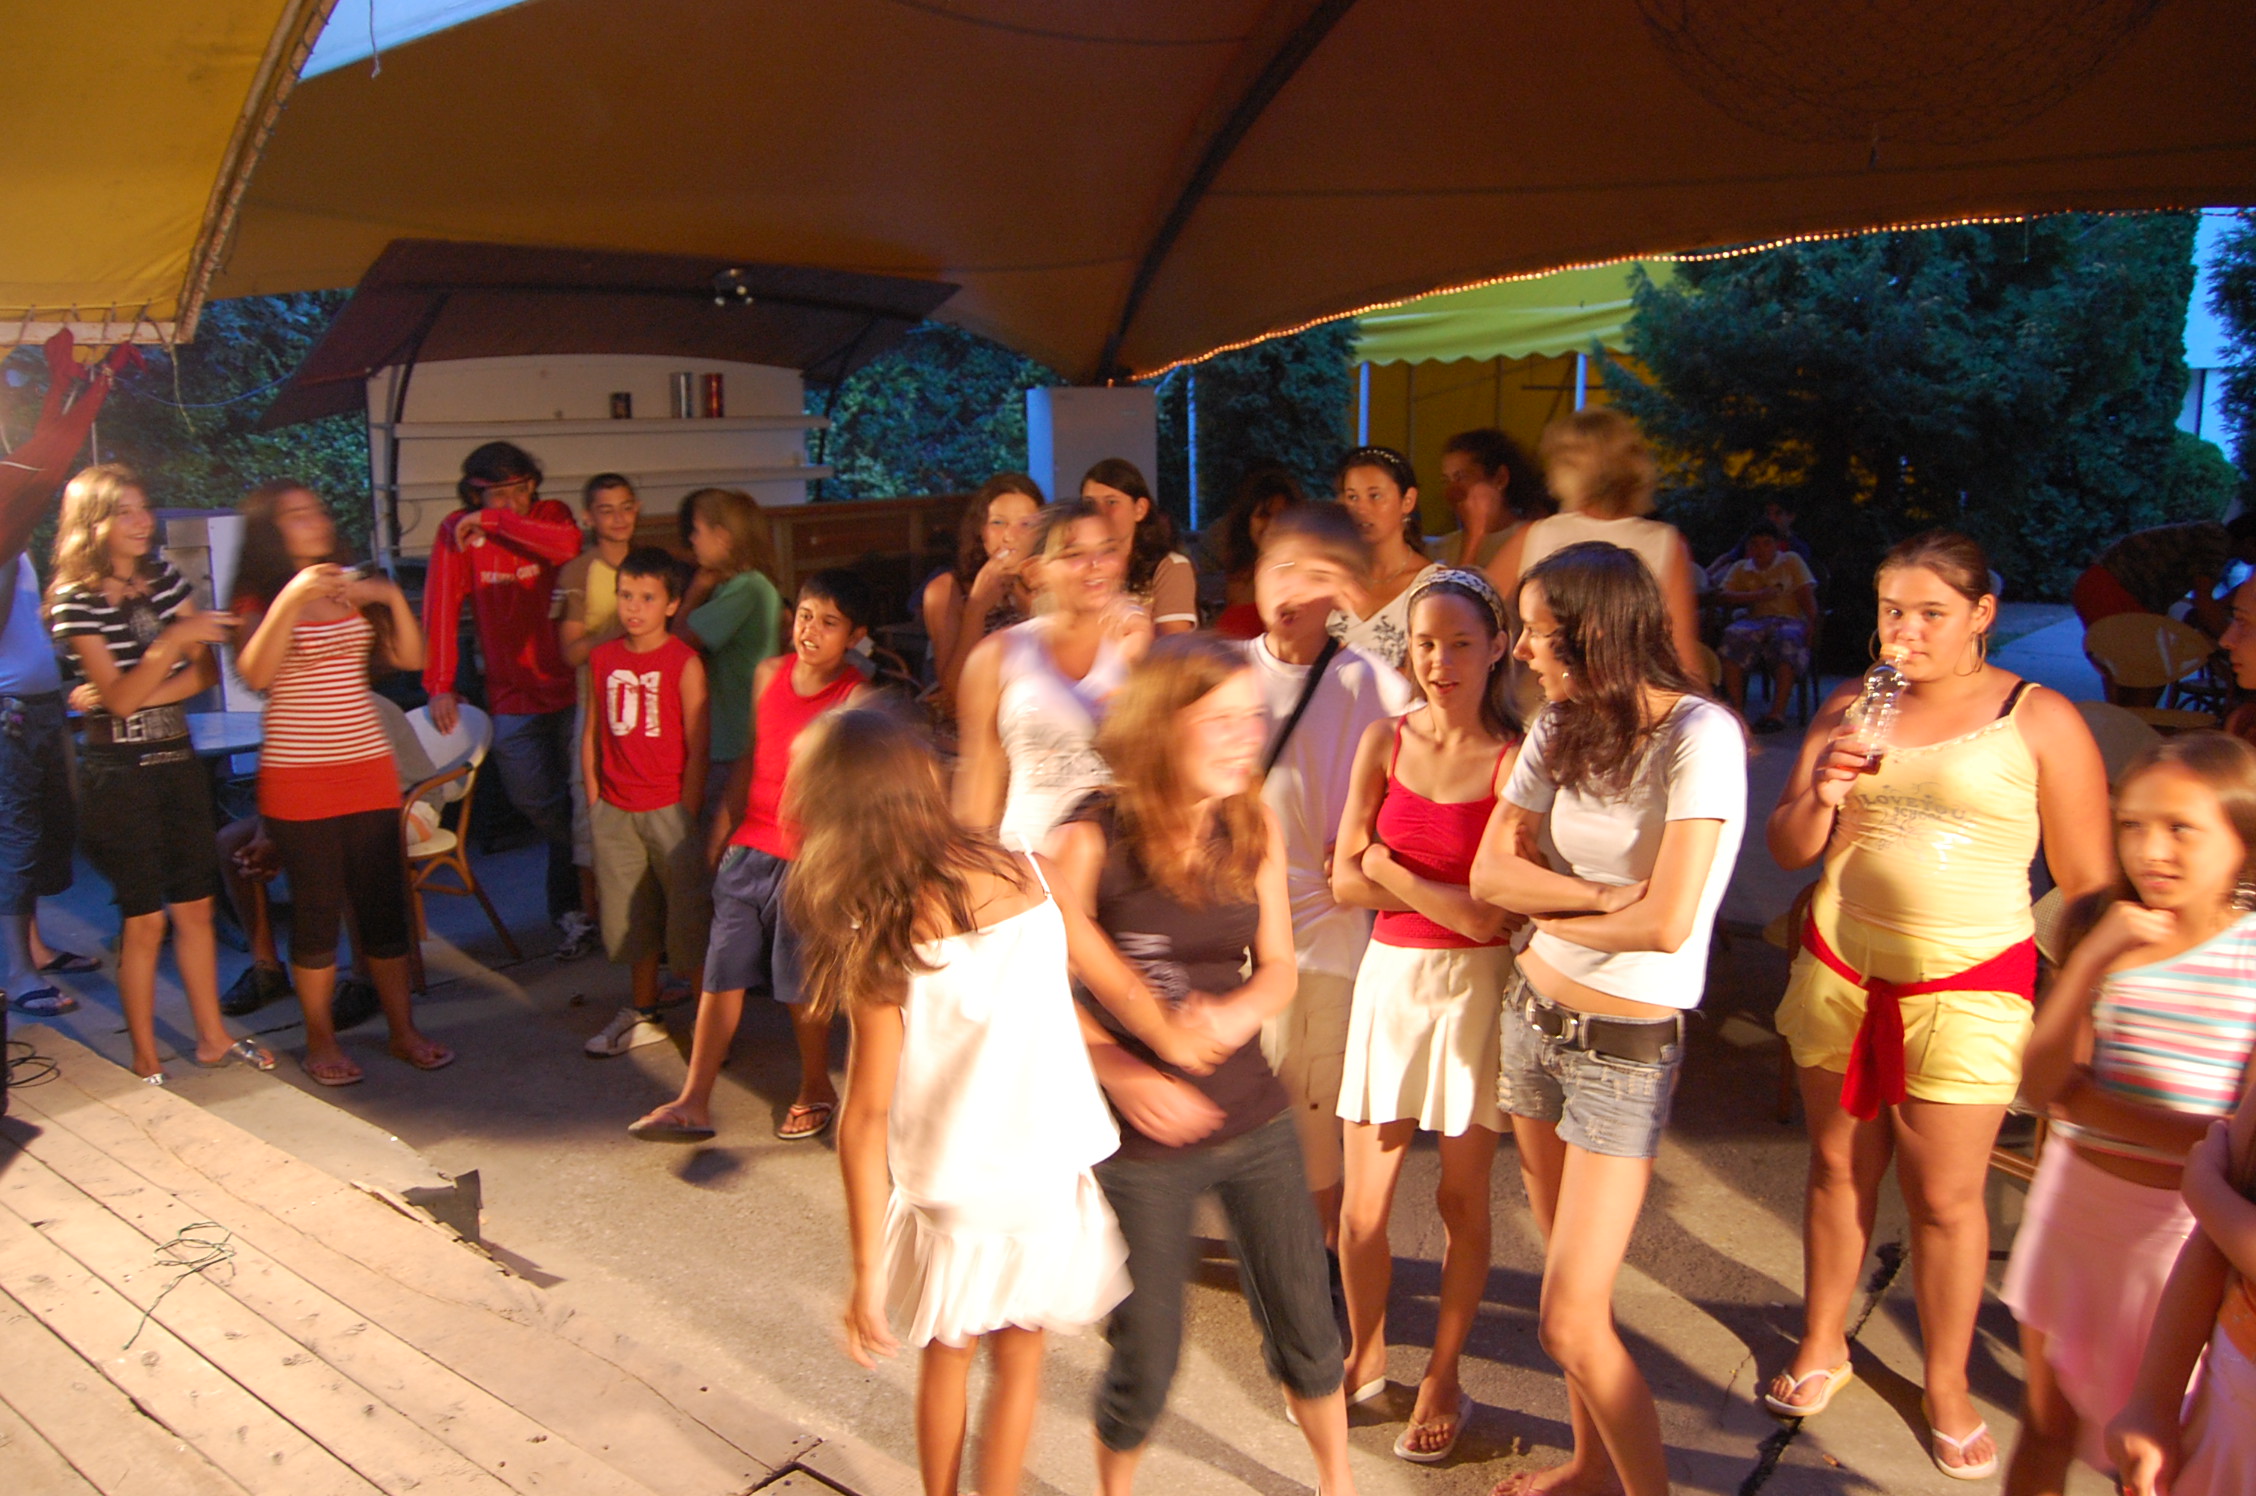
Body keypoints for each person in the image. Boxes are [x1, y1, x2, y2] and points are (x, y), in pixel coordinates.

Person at [1764, 531, 2113, 1479]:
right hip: (1841, 970)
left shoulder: (2037, 718)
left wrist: (2077, 1011)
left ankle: (1947, 1384)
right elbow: (1789, 847)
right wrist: (1825, 789)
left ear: (1981, 615)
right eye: (1892, 611)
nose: (1906, 632)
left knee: (1949, 1200)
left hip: (1968, 986)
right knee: (1838, 1170)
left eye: (1931, 613)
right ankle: (1824, 1340)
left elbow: (2088, 886)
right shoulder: (1850, 705)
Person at [806, 709, 1206, 1496]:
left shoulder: (882, 928)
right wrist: (1175, 1041)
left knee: (948, 1355)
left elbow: (866, 1115)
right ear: (926, 781)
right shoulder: (1032, 873)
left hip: (956, 1182)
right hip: (1044, 1171)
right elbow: (1117, 983)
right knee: (1021, 1357)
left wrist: (865, 1274)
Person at [1467, 541, 1746, 1496]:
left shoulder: (1700, 736)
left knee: (1568, 1319)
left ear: (1597, 634)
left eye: (1539, 633)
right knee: (1564, 1282)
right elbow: (1488, 874)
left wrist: (1546, 907)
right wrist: (1591, 899)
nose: (1522, 652)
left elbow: (1669, 923)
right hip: (1535, 1015)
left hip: (1624, 1050)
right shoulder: (1561, 724)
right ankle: (1591, 1464)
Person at [1055, 636, 1357, 1496]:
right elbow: (1035, 988)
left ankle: (1337, 1483)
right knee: (1147, 1356)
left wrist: (1234, 1012)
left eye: (1252, 718)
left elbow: (1280, 969)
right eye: (1220, 721)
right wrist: (1124, 1068)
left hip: (1252, 1115)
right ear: (1161, 725)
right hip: (1140, 1143)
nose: (1246, 738)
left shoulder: (1250, 820)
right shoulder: (1089, 836)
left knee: (1309, 1325)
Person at [1999, 732, 2256, 1492]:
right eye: (2133, 825)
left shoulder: (2248, 959)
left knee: (2151, 1450)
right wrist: (2087, 962)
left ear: (2243, 839)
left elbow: (2236, 1143)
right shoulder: (2099, 927)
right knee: (2046, 1421)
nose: (2152, 851)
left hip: (2180, 1243)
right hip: (2074, 1214)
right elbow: (2040, 1083)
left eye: (2182, 828)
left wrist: (2090, 1102)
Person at [1330, 569, 1520, 1463]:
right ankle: (1364, 1355)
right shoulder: (1384, 739)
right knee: (1362, 1209)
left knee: (1460, 1197)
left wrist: (1390, 869)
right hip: (1391, 981)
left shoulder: (1514, 760)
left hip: (1476, 991)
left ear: (1498, 649)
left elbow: (1489, 919)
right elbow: (1341, 881)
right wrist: (1388, 879)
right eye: (1425, 645)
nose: (1440, 662)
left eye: (1460, 645)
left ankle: (1445, 1375)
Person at [630, 570, 875, 1142]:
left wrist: (844, 868)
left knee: (799, 985)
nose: (811, 631)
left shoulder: (856, 697)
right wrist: (725, 825)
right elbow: (751, 754)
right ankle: (693, 1099)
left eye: (829, 623)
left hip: (808, 858)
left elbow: (860, 793)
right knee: (722, 973)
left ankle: (816, 1085)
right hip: (750, 847)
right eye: (806, 615)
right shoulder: (769, 673)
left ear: (855, 636)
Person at [46, 465, 272, 1080]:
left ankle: (212, 1038)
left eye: (144, 507)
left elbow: (199, 675)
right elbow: (130, 693)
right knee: (144, 920)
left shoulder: (165, 579)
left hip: (176, 758)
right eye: (125, 511)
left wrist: (131, 689)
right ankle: (145, 1057)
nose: (143, 521)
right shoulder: (75, 599)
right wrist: (169, 645)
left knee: (195, 908)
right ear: (93, 522)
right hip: (119, 773)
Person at [231, 480, 448, 1084]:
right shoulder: (261, 597)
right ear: (271, 532)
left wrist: (387, 594)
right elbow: (256, 673)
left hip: (367, 767)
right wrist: (293, 597)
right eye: (296, 515)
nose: (315, 521)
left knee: (382, 907)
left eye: (317, 511)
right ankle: (320, 1040)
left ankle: (403, 1031)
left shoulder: (346, 586)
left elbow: (412, 658)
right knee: (317, 914)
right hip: (299, 773)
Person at [1240, 503, 1415, 1240]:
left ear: (1343, 587)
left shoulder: (1375, 686)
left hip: (1320, 942)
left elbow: (1421, 796)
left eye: (1314, 574)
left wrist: (1370, 846)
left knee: (1304, 1126)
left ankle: (1314, 1271)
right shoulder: (1220, 673)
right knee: (1240, 1124)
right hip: (1224, 939)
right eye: (1279, 567)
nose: (1291, 588)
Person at [420, 441, 592, 956]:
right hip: (511, 693)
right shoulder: (456, 531)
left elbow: (566, 546)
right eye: (499, 493)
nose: (514, 501)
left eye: (520, 489)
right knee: (534, 800)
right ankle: (587, 873)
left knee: (583, 795)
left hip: (570, 683)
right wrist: (439, 683)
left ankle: (576, 908)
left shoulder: (550, 515)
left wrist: (495, 521)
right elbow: (440, 606)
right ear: (475, 493)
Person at [954, 500, 1151, 852]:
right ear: (1035, 571)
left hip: (1120, 855)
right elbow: (979, 779)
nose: (1096, 565)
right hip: (1030, 855)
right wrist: (970, 868)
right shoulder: (998, 655)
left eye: (1107, 550)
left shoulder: (1141, 650)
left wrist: (1137, 650)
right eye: (1074, 554)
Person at [579, 547, 712, 1057]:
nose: (634, 607)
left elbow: (697, 743)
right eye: (626, 595)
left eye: (648, 598)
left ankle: (706, 1022)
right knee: (632, 918)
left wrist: (686, 809)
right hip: (616, 809)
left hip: (669, 809)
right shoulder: (603, 659)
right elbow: (592, 733)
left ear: (672, 604)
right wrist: (596, 800)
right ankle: (643, 1010)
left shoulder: (684, 662)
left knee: (688, 919)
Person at [1484, 409, 1704, 690]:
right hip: (1629, 703)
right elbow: (1683, 657)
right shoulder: (1666, 544)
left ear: (1565, 468)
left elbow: (1469, 608)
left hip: (1543, 699)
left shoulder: (1537, 536)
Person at [2106, 1085, 2256, 1496]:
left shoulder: (2208, 1192)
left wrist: (2207, 1192)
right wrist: (2153, 1404)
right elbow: (2215, 1241)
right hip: (2227, 1423)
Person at [0, 498, 89, 1020]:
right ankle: (17, 972)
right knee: (17, 836)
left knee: (48, 829)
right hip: (8, 711)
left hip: (42, 705)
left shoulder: (16, 545)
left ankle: (34, 949)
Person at [556, 473, 644, 927]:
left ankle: (648, 922)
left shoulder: (653, 565)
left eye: (626, 507)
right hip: (597, 708)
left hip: (649, 706)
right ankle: (597, 920)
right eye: (607, 510)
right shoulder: (578, 572)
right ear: (589, 517)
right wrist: (620, 629)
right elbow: (571, 653)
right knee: (589, 816)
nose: (619, 518)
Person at [677, 487, 784, 812]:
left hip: (734, 736)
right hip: (734, 733)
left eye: (697, 530)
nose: (692, 540)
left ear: (722, 537)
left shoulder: (746, 588)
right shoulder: (739, 586)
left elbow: (677, 645)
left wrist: (694, 592)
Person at [924, 473, 1045, 710]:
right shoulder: (947, 589)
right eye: (998, 523)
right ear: (981, 530)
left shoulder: (1056, 581)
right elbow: (954, 689)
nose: (1010, 536)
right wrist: (977, 606)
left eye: (1026, 524)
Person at [1327, 446, 1440, 674]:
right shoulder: (1329, 577)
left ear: (1407, 500)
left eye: (1375, 496)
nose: (1361, 508)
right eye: (1352, 497)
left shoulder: (1432, 585)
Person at [1714, 519, 1819, 732]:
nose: (1760, 549)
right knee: (1732, 636)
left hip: (1788, 619)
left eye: (1766, 543)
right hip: (1755, 620)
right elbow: (1723, 595)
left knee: (1786, 640)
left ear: (1776, 545)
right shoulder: (1741, 567)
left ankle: (1777, 713)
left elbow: (1806, 595)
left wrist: (1812, 624)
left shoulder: (1791, 561)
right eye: (1754, 544)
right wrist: (1756, 596)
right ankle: (1737, 711)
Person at [2073, 514, 2256, 634]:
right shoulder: (2215, 541)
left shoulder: (2214, 537)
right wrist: (2234, 641)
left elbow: (2208, 607)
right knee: (2140, 670)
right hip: (2113, 589)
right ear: (2249, 542)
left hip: (2109, 586)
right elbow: (2204, 602)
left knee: (2138, 671)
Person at [1082, 458, 1197, 636]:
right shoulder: (1078, 567)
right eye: (1090, 504)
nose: (1099, 512)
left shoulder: (1169, 566)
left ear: (1139, 509)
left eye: (1111, 502)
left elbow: (1174, 642)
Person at [1428, 427, 1547, 572]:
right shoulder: (1442, 548)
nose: (1452, 491)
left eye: (1462, 477)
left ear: (1500, 478)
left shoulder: (1531, 539)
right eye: (1446, 481)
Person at [1210, 464, 1306, 640]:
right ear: (1247, 521)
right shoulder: (1239, 573)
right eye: (1264, 515)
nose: (1273, 524)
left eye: (1282, 516)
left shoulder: (1308, 577)